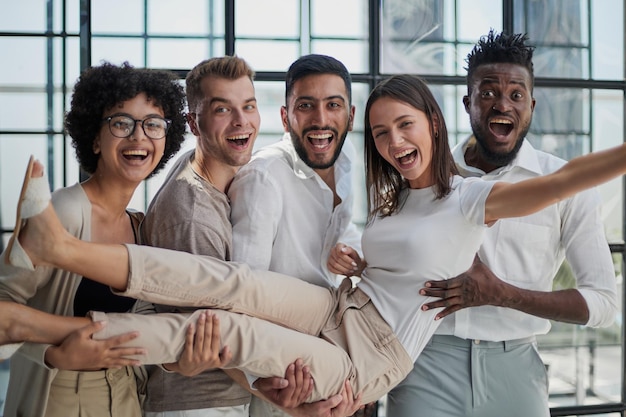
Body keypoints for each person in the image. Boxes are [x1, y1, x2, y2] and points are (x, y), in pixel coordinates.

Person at [3, 73, 626, 407]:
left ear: (433, 123)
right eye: (380, 133)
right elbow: (378, 265)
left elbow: (566, 178)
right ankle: (60, 247)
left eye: (403, 126)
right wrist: (346, 263)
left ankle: (61, 331)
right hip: (339, 308)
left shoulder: (472, 200)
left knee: (235, 328)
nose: (391, 143)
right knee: (235, 284)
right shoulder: (390, 199)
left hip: (370, 358)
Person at [385, 30, 618, 417]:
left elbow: (604, 304)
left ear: (531, 104)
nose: (502, 105)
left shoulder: (563, 185)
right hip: (425, 363)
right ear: (468, 102)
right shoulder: (422, 175)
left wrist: (503, 294)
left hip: (516, 369)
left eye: (516, 95)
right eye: (488, 92)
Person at [137, 55, 358, 417]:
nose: (242, 121)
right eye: (223, 110)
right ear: (194, 122)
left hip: (228, 394)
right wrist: (287, 403)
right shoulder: (194, 217)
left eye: (249, 106)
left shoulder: (203, 172)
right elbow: (217, 334)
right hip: (201, 402)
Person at [0, 62, 187, 417]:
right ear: (95, 139)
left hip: (126, 394)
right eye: (121, 123)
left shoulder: (141, 227)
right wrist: (52, 353)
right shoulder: (65, 211)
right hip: (61, 394)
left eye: (153, 124)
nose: (138, 137)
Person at [227, 54, 366, 417]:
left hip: (330, 359)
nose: (321, 119)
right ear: (286, 118)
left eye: (333, 105)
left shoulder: (348, 160)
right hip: (282, 378)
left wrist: (351, 251)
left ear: (350, 115)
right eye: (306, 106)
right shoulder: (264, 178)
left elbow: (346, 230)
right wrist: (263, 383)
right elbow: (242, 292)